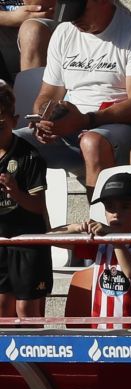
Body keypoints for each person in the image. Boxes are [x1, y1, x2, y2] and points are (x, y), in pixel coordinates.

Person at [14, 0, 131, 197]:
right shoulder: (65, 31)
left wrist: (85, 120)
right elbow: (48, 93)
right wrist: (45, 118)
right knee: (9, 141)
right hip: (68, 129)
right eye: (69, 14)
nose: (74, 21)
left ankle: (97, 222)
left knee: (92, 142)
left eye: (79, 12)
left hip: (118, 126)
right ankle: (20, 223)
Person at [51, 173, 131, 328]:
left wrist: (112, 237)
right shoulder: (100, 244)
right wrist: (76, 227)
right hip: (100, 334)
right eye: (109, 207)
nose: (116, 213)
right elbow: (50, 238)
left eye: (125, 206)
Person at [0, 81, 51, 319]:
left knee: (26, 310)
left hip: (26, 243)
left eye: (0, 124)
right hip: (1, 242)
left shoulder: (29, 157)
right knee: (3, 307)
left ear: (14, 119)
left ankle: (34, 357)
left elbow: (37, 205)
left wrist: (15, 192)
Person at [0, 1, 55, 80]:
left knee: (32, 31)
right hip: (6, 24)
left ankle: (31, 90)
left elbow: (41, 5)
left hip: (45, 21)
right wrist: (10, 17)